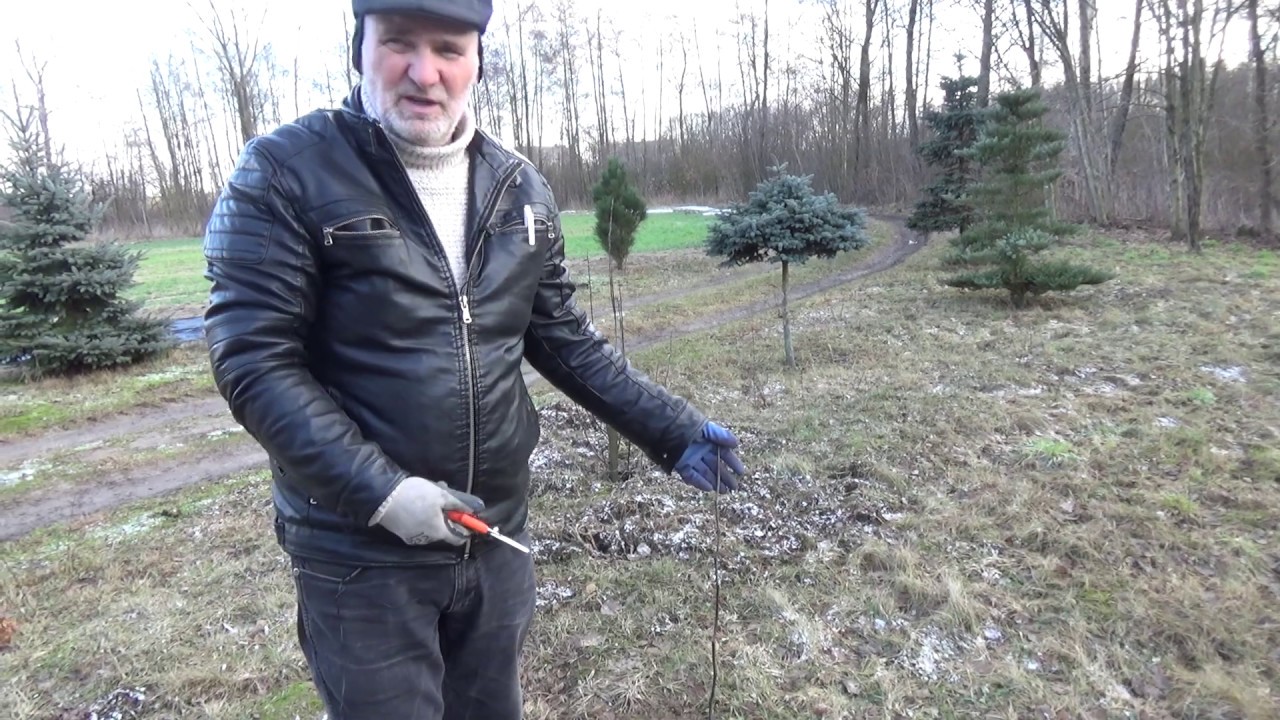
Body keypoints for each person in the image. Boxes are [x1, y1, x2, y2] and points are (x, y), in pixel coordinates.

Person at [200, 1, 748, 718]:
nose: (423, 72)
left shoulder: (517, 187)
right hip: (361, 557)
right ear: (358, 50)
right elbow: (254, 360)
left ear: (478, 62)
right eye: (398, 44)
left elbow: (563, 340)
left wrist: (669, 429)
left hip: (494, 538)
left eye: (449, 49)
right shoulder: (284, 172)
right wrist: (385, 495)